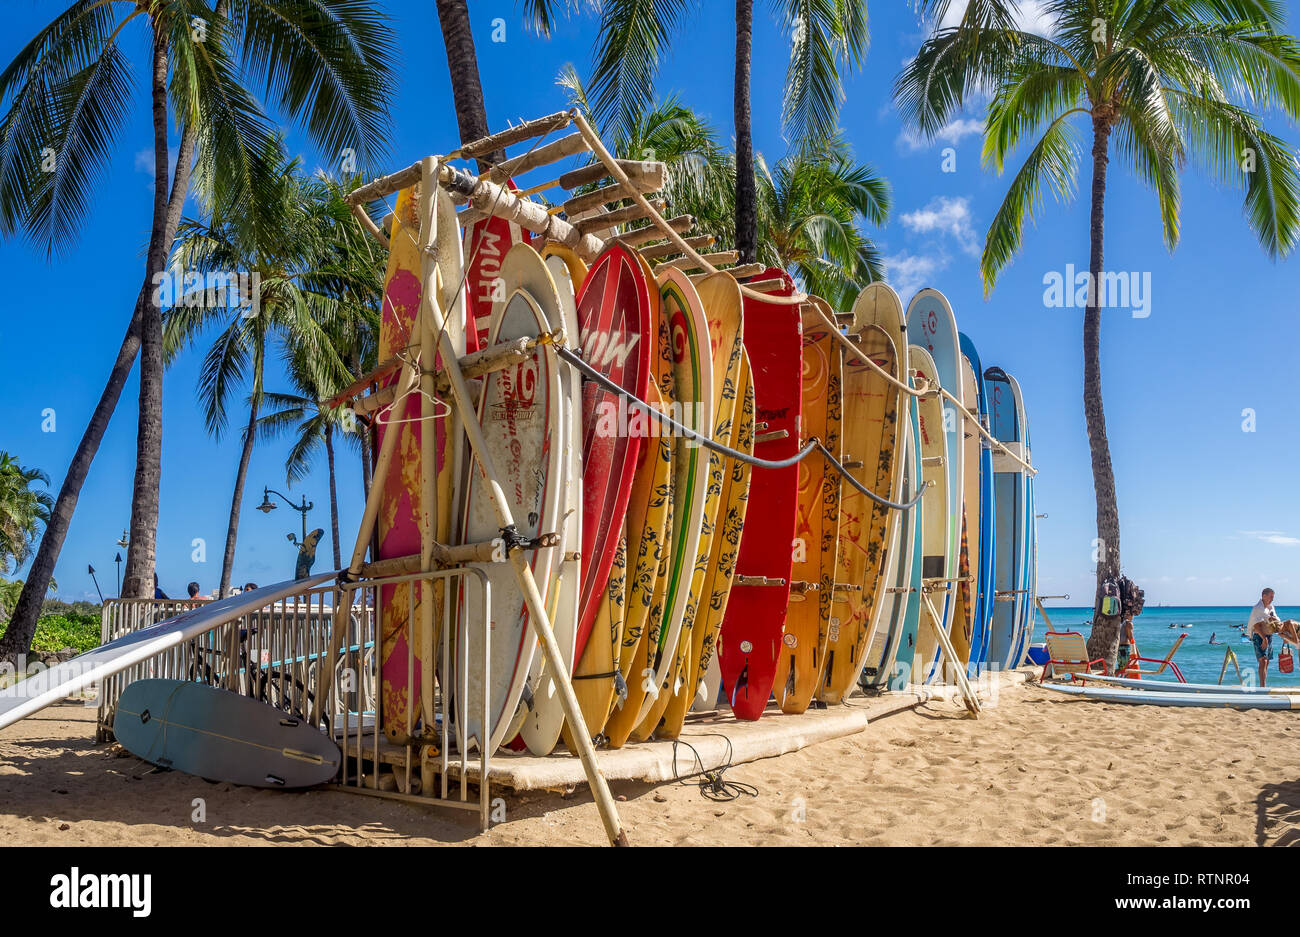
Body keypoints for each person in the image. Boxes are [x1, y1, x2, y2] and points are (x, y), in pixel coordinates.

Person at [1247, 587, 1300, 686]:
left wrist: (1283, 634)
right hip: (1260, 636)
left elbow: (1276, 621)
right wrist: (1264, 639)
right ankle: (1262, 687)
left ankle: (1263, 685)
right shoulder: (1258, 608)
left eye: (1273, 597)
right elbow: (1255, 627)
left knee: (1267, 662)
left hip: (1269, 636)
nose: (1272, 599)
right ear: (1264, 596)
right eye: (1271, 597)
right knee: (1263, 660)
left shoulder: (1271, 607)